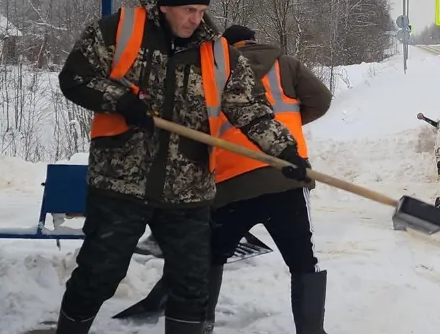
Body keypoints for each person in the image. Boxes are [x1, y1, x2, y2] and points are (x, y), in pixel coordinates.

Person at [49, 0, 309, 334]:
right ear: (165, 6)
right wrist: (119, 100)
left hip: (189, 189)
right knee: (99, 273)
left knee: (191, 285)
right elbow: (74, 76)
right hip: (121, 182)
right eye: (188, 9)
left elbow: (250, 110)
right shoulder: (119, 32)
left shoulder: (219, 55)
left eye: (201, 10)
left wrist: (286, 151)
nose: (196, 19)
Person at [130, 24, 333, 333]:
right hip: (285, 175)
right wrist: (288, 126)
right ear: (253, 39)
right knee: (304, 260)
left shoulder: (212, 74)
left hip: (229, 185)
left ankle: (202, 323)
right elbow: (321, 100)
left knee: (210, 256)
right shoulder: (286, 64)